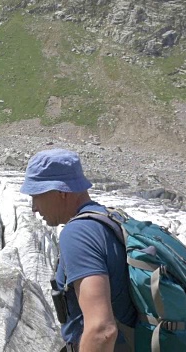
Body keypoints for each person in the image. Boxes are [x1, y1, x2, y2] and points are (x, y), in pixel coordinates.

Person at [19, 149, 136, 352]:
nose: (34, 208)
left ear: (61, 192)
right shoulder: (110, 220)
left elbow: (102, 330)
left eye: (36, 196)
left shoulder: (79, 233)